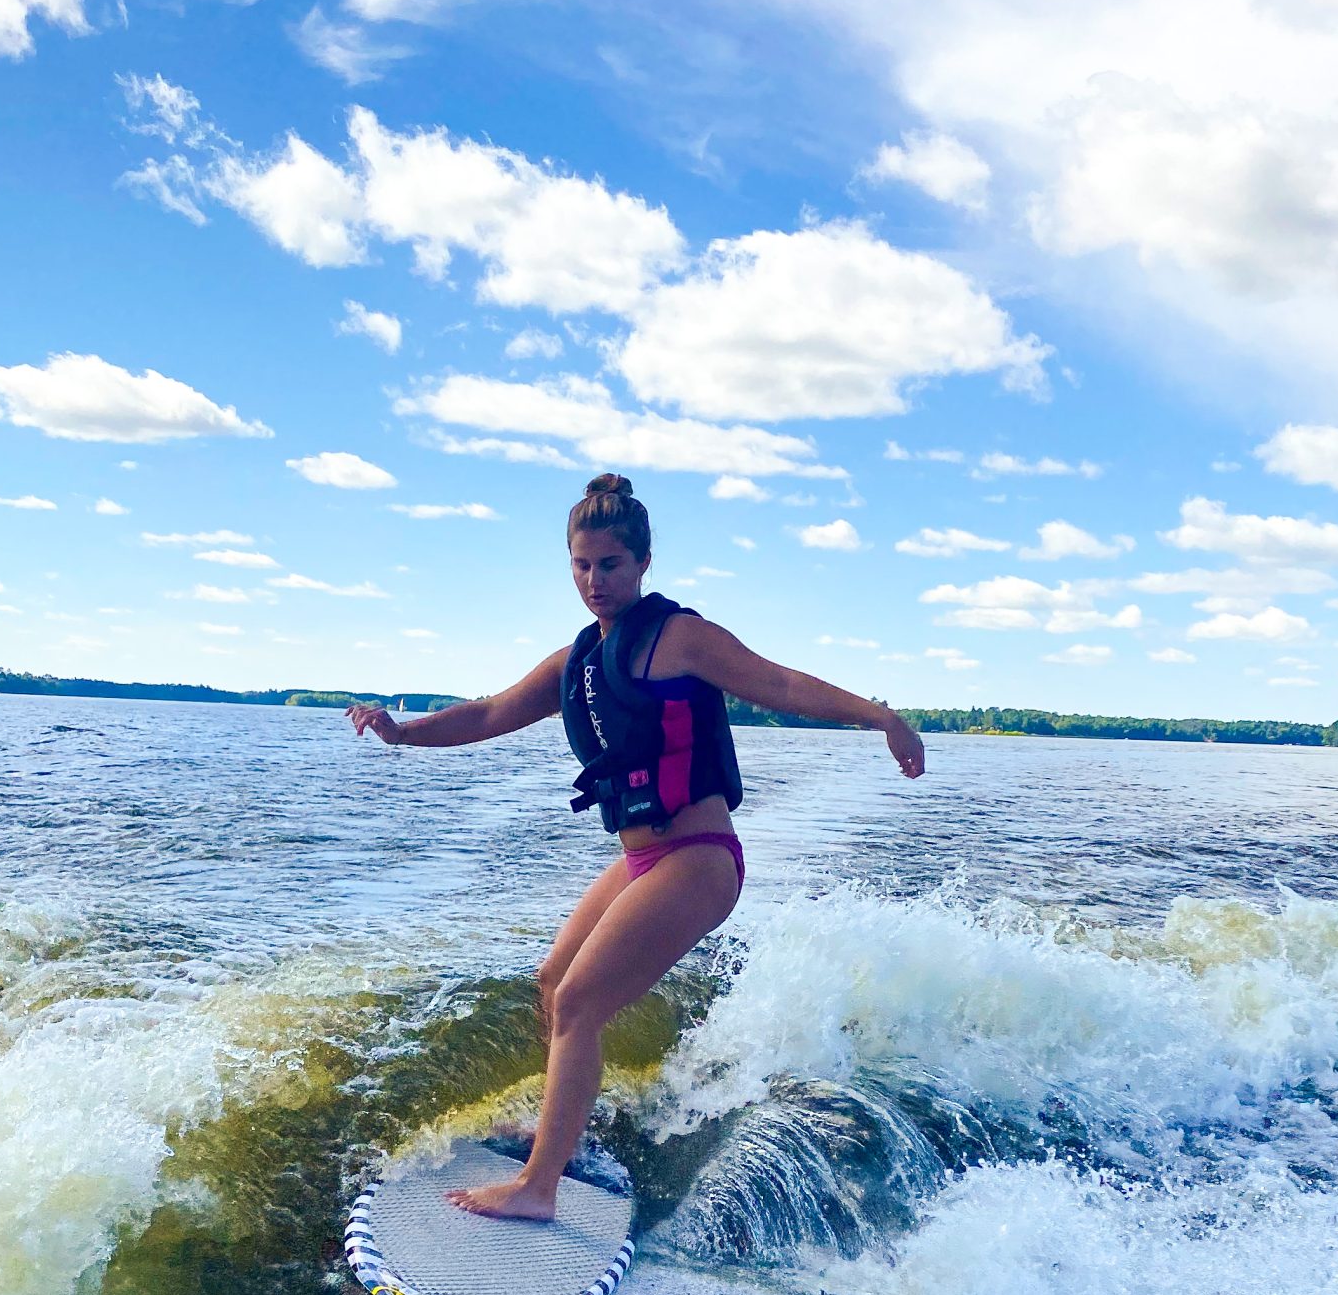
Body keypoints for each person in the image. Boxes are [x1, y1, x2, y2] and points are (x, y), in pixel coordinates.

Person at [348, 472, 926, 1222]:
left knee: (583, 999)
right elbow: (489, 712)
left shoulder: (681, 637)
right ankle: (557, 1131)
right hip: (641, 857)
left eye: (610, 565)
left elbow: (779, 682)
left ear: (643, 562)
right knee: (555, 982)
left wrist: (881, 718)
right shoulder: (575, 661)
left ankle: (539, 1186)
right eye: (581, 566)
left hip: (700, 855)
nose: (595, 581)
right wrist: (402, 732)